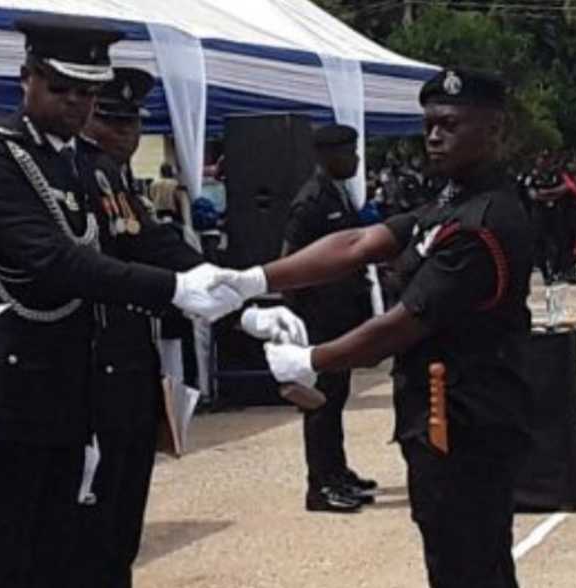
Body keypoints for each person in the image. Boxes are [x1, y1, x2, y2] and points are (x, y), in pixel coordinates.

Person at [0, 17, 250, 588]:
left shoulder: (88, 165)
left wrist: (233, 288)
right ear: (26, 79)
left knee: (67, 553)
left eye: (87, 91)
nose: (77, 103)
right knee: (9, 559)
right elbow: (56, 261)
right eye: (61, 88)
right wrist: (174, 289)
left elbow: (144, 237)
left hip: (64, 391)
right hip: (2, 394)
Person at [211, 68, 533, 588]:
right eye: (429, 124)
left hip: (468, 420)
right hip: (444, 414)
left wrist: (311, 360)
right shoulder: (451, 200)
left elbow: (400, 326)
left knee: (466, 563)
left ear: (494, 129)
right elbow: (359, 244)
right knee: (461, 556)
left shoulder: (486, 221)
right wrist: (253, 277)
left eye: (449, 124)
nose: (434, 136)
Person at [71, 66, 306, 587]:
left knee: (117, 532)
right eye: (112, 122)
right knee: (86, 535)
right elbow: (128, 267)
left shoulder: (117, 182)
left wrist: (242, 299)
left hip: (129, 374)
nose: (125, 135)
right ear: (88, 120)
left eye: (132, 124)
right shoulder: (74, 173)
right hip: (87, 379)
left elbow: (164, 250)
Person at [281, 124, 377, 513]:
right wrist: (302, 320)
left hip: (340, 314)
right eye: (348, 152)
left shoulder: (338, 193)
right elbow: (290, 261)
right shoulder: (312, 201)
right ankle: (319, 486)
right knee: (321, 402)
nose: (355, 159)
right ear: (325, 155)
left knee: (336, 398)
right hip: (321, 318)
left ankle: (336, 471)